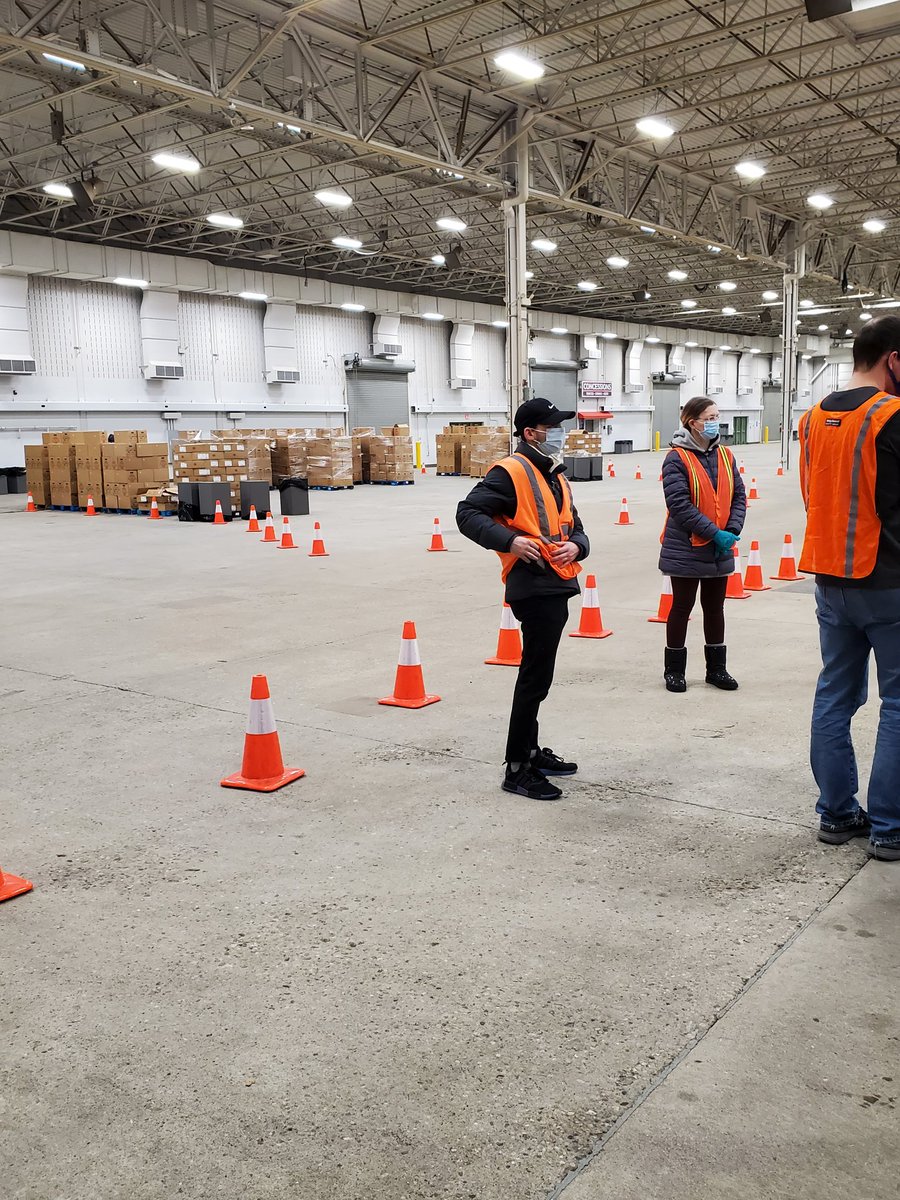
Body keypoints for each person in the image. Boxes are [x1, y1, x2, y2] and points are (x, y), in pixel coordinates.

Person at [798, 315, 900, 861]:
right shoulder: (893, 415)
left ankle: (837, 813)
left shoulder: (813, 418)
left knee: (834, 696)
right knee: (899, 704)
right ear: (894, 359)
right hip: (889, 583)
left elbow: (814, 493)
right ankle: (890, 826)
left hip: (831, 579)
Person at [456, 397, 590, 801]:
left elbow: (575, 526)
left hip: (557, 579)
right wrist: (511, 541)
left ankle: (530, 751)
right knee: (534, 676)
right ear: (531, 433)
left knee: (540, 673)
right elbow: (467, 513)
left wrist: (578, 548)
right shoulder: (512, 471)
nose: (560, 432)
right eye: (553, 426)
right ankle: (517, 767)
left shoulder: (553, 473)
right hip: (533, 585)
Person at [659, 395, 746, 693]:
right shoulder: (676, 458)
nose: (714, 422)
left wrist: (732, 530)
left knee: (714, 607)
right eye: (708, 418)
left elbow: (738, 496)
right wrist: (714, 533)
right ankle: (674, 671)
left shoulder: (726, 455)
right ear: (692, 423)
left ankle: (717, 670)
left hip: (719, 546)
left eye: (716, 416)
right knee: (682, 607)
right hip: (686, 546)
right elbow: (680, 505)